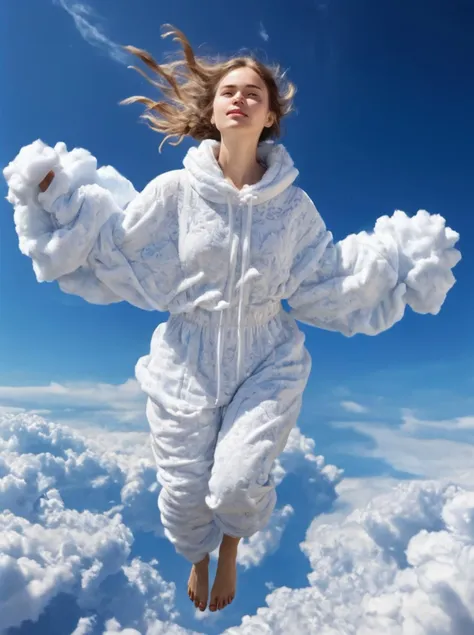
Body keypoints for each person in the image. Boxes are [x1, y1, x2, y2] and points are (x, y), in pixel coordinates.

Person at [3, 25, 461, 614]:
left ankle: (230, 550)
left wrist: (399, 262)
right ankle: (197, 556)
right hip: (186, 357)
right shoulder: (173, 192)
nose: (240, 98)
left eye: (254, 94)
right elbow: (117, 248)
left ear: (270, 117)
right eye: (229, 92)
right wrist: (60, 199)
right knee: (184, 488)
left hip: (266, 355)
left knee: (237, 482)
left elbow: (329, 275)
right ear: (214, 111)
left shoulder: (295, 208)